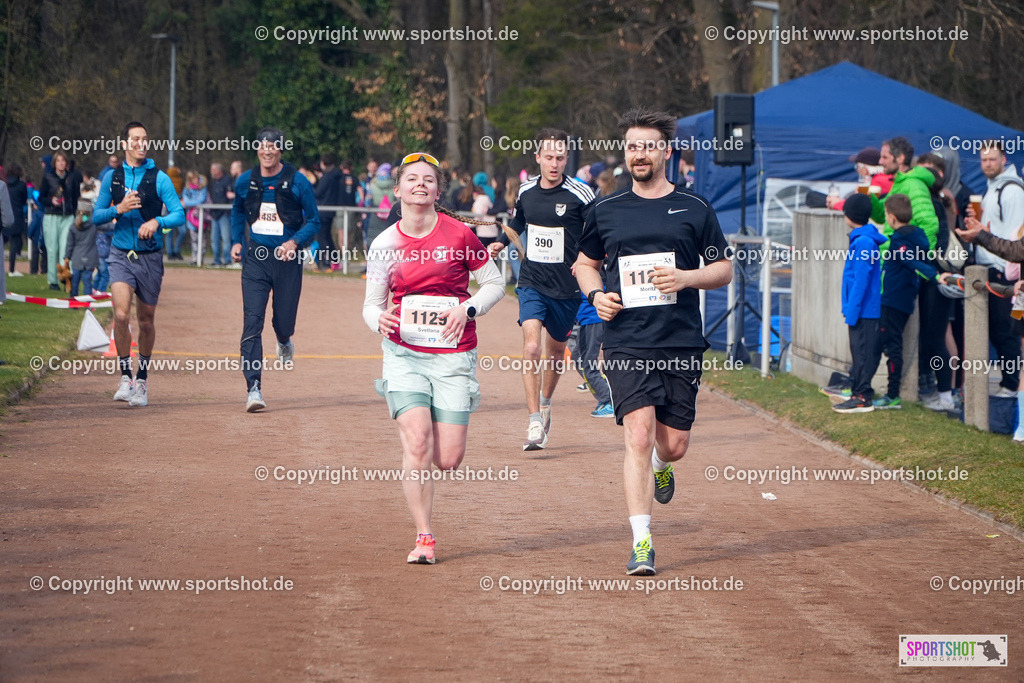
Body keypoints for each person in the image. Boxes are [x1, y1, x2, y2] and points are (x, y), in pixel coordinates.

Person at [574, 107, 732, 575]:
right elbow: (584, 263)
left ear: (666, 151)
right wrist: (596, 294)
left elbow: (723, 269)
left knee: (674, 444)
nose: (638, 154)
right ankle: (642, 542)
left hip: (680, 340)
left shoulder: (695, 208)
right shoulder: (605, 209)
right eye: (632, 146)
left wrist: (686, 278)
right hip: (625, 340)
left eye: (647, 146)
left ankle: (666, 466)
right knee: (637, 435)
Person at [361, 152, 505, 564]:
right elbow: (371, 305)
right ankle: (424, 536)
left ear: (438, 191)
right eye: (412, 179)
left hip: (452, 356)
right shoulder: (384, 243)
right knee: (418, 441)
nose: (420, 184)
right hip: (404, 354)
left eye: (428, 179)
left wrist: (466, 309)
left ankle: (431, 503)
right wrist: (380, 321)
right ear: (400, 189)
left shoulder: (459, 234)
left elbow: (493, 283)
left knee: (448, 458)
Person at [488, 128, 596, 450]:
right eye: (548, 157)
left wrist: (586, 261)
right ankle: (534, 421)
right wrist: (501, 241)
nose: (554, 163)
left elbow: (596, 234)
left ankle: (546, 403)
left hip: (567, 288)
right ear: (537, 157)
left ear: (567, 159)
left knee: (553, 353)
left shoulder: (582, 194)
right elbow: (519, 223)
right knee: (532, 348)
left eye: (560, 157)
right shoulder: (526, 191)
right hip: (532, 281)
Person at [92, 120, 186, 407]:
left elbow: (180, 215)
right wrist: (117, 209)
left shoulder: (159, 178)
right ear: (124, 144)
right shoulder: (113, 178)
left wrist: (157, 221)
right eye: (135, 139)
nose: (140, 143)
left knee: (146, 321)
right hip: (120, 254)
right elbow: (96, 217)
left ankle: (142, 380)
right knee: (121, 316)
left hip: (150, 257)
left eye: (144, 139)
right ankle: (125, 377)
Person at [230, 127, 320, 412]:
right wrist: (235, 241)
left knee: (282, 322)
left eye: (273, 147)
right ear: (256, 149)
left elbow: (314, 221)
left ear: (281, 150)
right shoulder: (245, 181)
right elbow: (235, 211)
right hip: (255, 259)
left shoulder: (298, 182)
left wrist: (295, 243)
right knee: (252, 323)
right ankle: (253, 388)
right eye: (262, 146)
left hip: (287, 261)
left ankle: (284, 340)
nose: (267, 151)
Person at [857, 194, 937, 412]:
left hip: (893, 301)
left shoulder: (901, 241)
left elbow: (911, 261)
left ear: (891, 218)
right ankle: (860, 385)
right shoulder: (917, 236)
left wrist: (936, 275)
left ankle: (893, 395)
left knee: (893, 347)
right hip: (901, 299)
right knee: (879, 343)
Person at [969, 140, 1024, 398]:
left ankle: (1012, 384)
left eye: (992, 159)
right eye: (983, 160)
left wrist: (1006, 271)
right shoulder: (993, 188)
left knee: (1007, 330)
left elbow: (1016, 240)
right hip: (991, 267)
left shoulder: (1011, 191)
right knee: (999, 330)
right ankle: (1009, 382)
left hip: (1004, 270)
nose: (987, 164)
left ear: (1004, 158)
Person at [829, 194, 884, 413]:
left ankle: (862, 397)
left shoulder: (863, 243)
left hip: (863, 310)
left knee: (862, 353)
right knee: (859, 352)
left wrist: (852, 310)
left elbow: (860, 280)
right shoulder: (862, 240)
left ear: (849, 215)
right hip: (861, 309)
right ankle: (857, 393)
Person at [39, 151, 81, 291]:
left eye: (63, 161)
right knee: (52, 249)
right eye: (58, 161)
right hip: (52, 216)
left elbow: (76, 197)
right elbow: (41, 198)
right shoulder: (48, 177)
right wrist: (51, 201)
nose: (61, 163)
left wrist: (77, 214)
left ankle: (66, 277)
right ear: (55, 163)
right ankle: (53, 281)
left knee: (66, 248)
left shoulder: (72, 178)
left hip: (68, 216)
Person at [314, 153, 343, 270]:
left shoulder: (327, 177)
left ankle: (324, 262)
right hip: (331, 210)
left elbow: (318, 193)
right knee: (328, 237)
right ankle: (335, 261)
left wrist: (312, 185)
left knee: (322, 237)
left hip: (323, 210)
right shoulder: (338, 176)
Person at [65, 198, 98, 296]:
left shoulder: (73, 226)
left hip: (77, 257)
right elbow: (107, 227)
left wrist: (67, 257)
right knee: (87, 282)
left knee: (75, 281)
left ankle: (73, 302)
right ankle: (87, 303)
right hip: (90, 257)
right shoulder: (94, 224)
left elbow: (70, 244)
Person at [5, 164, 28, 277]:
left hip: (4, 215)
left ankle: (11, 269)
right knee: (15, 244)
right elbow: (24, 200)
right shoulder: (22, 186)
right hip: (17, 216)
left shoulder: (5, 185)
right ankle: (12, 269)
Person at [208, 163, 233, 267]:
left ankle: (227, 260)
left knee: (226, 238)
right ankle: (216, 260)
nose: (211, 172)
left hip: (224, 214)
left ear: (219, 170)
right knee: (214, 239)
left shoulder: (227, 180)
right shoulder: (213, 182)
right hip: (215, 214)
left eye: (213, 169)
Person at [182, 171, 209, 265]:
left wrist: (190, 203)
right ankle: (194, 259)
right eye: (193, 178)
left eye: (197, 178)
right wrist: (191, 202)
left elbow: (201, 200)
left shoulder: (203, 188)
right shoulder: (187, 189)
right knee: (194, 240)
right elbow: (185, 200)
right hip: (191, 218)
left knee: (203, 240)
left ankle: (201, 258)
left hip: (202, 217)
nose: (196, 180)